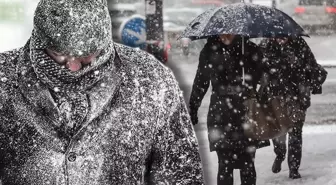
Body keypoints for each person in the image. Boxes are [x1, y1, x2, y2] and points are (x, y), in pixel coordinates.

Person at [0, 0, 204, 184]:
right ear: (39, 40)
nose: (73, 68)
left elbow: (181, 173)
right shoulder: (4, 81)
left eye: (87, 56)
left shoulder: (149, 79)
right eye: (59, 54)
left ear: (105, 41)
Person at [189, 34, 269, 185]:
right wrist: (193, 107)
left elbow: (265, 78)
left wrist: (254, 75)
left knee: (248, 164)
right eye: (222, 31)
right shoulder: (209, 51)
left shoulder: (250, 49)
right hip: (221, 113)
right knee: (225, 164)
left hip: (246, 112)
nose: (226, 34)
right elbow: (201, 80)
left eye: (230, 31)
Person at [260, 37, 327, 179]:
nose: (281, 38)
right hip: (274, 96)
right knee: (277, 132)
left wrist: (309, 77)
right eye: (277, 36)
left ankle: (294, 168)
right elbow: (256, 69)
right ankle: (280, 154)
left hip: (296, 96)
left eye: (284, 36)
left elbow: (311, 65)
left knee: (295, 132)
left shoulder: (299, 44)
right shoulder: (265, 46)